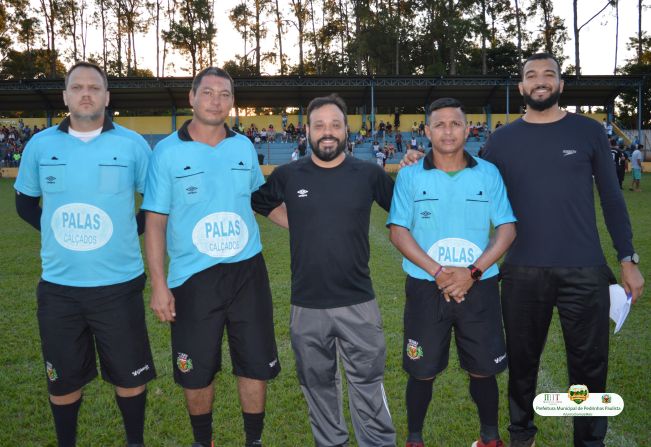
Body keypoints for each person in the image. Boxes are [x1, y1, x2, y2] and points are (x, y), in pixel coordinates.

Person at [401, 53, 644, 447]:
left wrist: (627, 258)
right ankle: (520, 436)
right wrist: (420, 157)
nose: (541, 81)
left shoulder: (588, 132)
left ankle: (589, 439)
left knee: (589, 366)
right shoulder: (503, 139)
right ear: (522, 87)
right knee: (522, 363)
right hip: (522, 271)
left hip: (584, 269)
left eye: (549, 74)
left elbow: (613, 199)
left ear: (561, 85)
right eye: (532, 75)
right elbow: (466, 170)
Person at [14, 61, 156, 447]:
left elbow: (155, 203)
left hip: (119, 284)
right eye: (77, 87)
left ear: (107, 97)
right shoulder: (40, 145)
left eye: (94, 87)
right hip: (60, 288)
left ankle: (134, 442)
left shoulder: (132, 145)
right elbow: (25, 204)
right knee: (62, 380)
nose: (86, 93)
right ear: (66, 96)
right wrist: (59, 232)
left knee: (130, 377)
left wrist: (127, 229)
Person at [142, 67, 282, 447]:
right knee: (196, 368)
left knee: (253, 363)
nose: (216, 100)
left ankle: (253, 440)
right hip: (193, 277)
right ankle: (203, 442)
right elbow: (154, 222)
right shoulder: (167, 152)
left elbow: (261, 201)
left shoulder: (242, 147)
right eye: (208, 93)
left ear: (232, 102)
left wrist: (313, 227)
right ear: (192, 98)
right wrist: (158, 284)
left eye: (224, 94)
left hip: (247, 272)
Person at [252, 94, 397, 447]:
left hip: (358, 303)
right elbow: (260, 201)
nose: (327, 132)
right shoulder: (288, 175)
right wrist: (298, 223)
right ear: (307, 130)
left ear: (347, 129)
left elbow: (403, 210)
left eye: (335, 125)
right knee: (317, 387)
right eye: (319, 125)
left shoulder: (369, 174)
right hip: (307, 307)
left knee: (368, 384)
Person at [388, 98, 516, 447]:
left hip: (480, 287)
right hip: (426, 288)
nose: (448, 130)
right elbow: (398, 231)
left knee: (483, 368)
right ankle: (415, 439)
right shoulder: (410, 174)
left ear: (467, 128)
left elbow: (506, 229)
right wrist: (442, 272)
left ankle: (490, 438)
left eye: (455, 123)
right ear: (427, 131)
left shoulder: (488, 173)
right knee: (422, 371)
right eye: (440, 124)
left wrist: (471, 272)